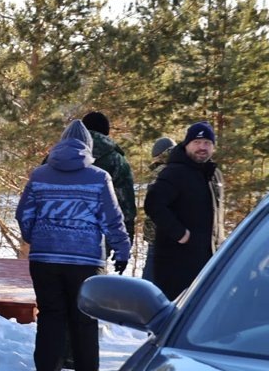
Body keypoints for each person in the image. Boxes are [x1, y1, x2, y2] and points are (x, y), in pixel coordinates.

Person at [16, 119, 130, 371]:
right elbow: (112, 219)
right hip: (86, 258)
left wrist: (35, 237)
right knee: (85, 314)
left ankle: (46, 369)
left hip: (45, 258)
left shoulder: (39, 175)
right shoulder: (99, 177)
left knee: (50, 312)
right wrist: (121, 249)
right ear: (88, 147)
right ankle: (86, 370)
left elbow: (24, 214)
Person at [143, 121, 225, 300]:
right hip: (177, 264)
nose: (202, 147)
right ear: (186, 144)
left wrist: (220, 242)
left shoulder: (214, 174)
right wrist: (180, 234)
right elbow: (153, 204)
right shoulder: (174, 172)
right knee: (176, 321)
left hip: (209, 260)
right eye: (197, 142)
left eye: (207, 143)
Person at [80, 111, 137, 243]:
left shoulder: (57, 155)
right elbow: (125, 203)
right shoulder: (116, 160)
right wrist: (126, 239)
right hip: (98, 238)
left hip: (54, 235)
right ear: (106, 131)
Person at [140, 136, 175, 283]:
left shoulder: (160, 171)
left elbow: (154, 205)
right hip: (172, 233)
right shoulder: (178, 168)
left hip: (158, 233)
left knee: (150, 278)